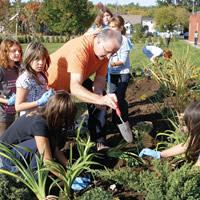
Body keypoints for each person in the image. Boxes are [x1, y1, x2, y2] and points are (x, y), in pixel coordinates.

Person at [47, 29, 122, 150]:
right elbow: (75, 88)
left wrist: (98, 94)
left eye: (113, 53)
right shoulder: (80, 49)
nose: (109, 56)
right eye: (107, 52)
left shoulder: (105, 53)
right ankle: (52, 152)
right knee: (54, 124)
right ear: (97, 41)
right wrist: (100, 99)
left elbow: (100, 79)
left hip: (75, 77)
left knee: (101, 96)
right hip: (50, 85)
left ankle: (98, 142)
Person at [0, 90, 77, 178]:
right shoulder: (39, 123)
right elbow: (47, 161)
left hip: (15, 152)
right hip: (4, 157)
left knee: (52, 142)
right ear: (57, 114)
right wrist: (68, 179)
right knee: (42, 148)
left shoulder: (48, 118)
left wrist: (70, 168)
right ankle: (29, 179)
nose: (65, 122)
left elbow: (55, 149)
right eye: (65, 118)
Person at [139, 101, 200, 166]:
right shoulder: (197, 135)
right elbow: (186, 146)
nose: (186, 126)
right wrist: (159, 154)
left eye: (188, 123)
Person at [15, 41, 54, 117]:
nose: (41, 63)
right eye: (37, 59)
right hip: (28, 119)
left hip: (40, 115)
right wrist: (38, 102)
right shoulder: (25, 79)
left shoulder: (40, 75)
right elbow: (18, 106)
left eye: (43, 58)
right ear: (29, 59)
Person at [107, 15, 131, 132]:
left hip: (123, 73)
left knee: (120, 98)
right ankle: (114, 122)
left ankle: (124, 121)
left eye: (114, 27)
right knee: (113, 98)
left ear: (121, 28)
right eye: (110, 27)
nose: (112, 29)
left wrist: (109, 63)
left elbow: (122, 61)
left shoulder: (124, 41)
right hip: (112, 74)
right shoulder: (109, 39)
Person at [0, 38, 22, 136]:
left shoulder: (17, 69)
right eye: (14, 51)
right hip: (2, 115)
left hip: (13, 114)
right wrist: (7, 101)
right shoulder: (1, 70)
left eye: (19, 50)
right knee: (3, 145)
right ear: (5, 52)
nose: (18, 53)